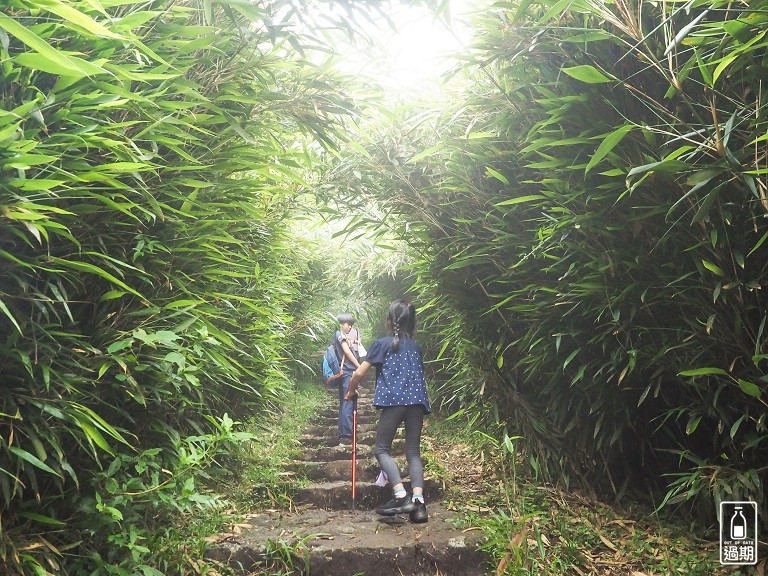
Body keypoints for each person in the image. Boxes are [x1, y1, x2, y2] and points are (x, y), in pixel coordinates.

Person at [346, 299, 430, 524]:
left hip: (394, 403)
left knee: (382, 449)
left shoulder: (381, 344)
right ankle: (419, 505)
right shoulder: (415, 346)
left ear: (389, 321)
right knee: (413, 452)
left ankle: (401, 496)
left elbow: (358, 374)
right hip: (417, 404)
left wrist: (351, 391)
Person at [335, 313, 361, 446]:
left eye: (350, 325)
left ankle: (346, 433)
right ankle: (346, 436)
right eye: (347, 324)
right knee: (347, 400)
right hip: (347, 372)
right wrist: (359, 366)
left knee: (347, 401)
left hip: (347, 372)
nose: (349, 327)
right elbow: (347, 352)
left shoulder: (343, 335)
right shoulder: (340, 335)